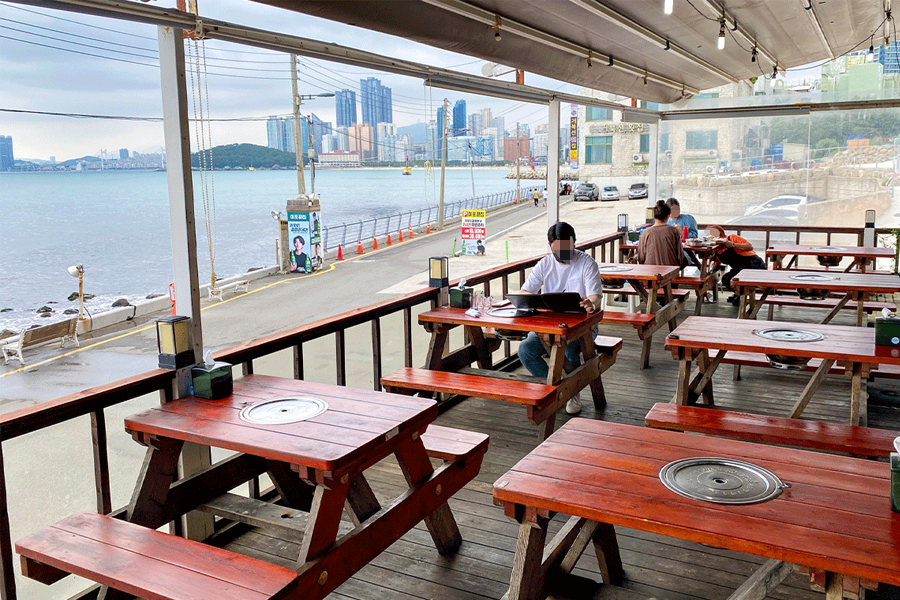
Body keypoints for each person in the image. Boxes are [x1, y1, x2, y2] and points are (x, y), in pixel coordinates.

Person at [517, 222, 603, 415]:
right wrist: (527, 299)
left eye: (568, 247)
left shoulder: (586, 263)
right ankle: (557, 389)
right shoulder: (545, 264)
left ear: (574, 242)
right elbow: (525, 291)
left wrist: (590, 303)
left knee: (569, 351)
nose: (564, 252)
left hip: (583, 325)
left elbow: (595, 296)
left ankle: (572, 393)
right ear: (550, 246)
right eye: (558, 249)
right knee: (526, 350)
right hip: (550, 326)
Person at [706, 225, 767, 304]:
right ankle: (739, 294)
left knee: (738, 279)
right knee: (726, 279)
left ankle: (742, 296)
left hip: (753, 265)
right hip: (739, 269)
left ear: (720, 233)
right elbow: (713, 266)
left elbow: (750, 246)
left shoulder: (732, 238)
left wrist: (733, 245)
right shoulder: (717, 251)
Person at [638, 200, 683, 267]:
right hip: (670, 272)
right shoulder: (673, 231)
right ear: (668, 216)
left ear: (654, 216)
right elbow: (680, 257)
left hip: (649, 273)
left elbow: (641, 258)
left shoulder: (645, 233)